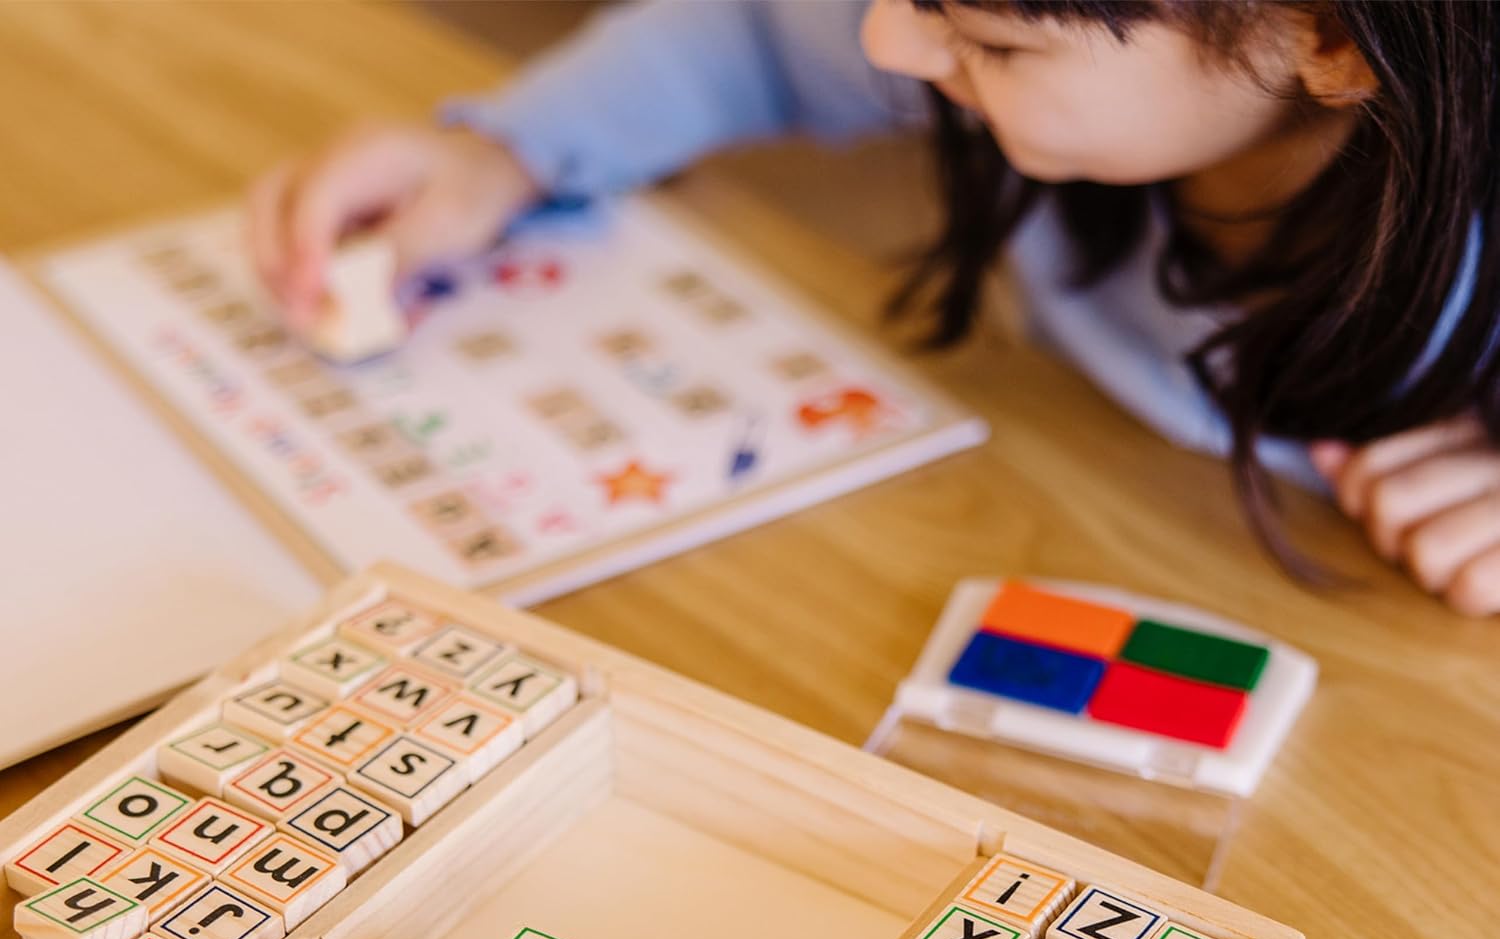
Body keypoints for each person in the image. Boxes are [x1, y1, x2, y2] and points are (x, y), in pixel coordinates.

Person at [247, 0, 1500, 615]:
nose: (888, 41)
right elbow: (751, 33)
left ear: (1333, 41)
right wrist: (509, 153)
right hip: (1058, 502)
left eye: (993, 43)